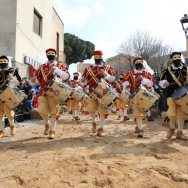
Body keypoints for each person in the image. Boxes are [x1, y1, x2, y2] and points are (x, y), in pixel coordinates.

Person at [35, 48, 70, 139]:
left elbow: (67, 77)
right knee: (42, 110)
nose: (50, 54)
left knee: (54, 111)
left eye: (52, 53)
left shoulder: (60, 65)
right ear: (46, 55)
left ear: (55, 55)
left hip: (55, 92)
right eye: (49, 53)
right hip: (43, 91)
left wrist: (58, 70)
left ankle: (52, 130)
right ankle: (47, 124)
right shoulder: (42, 66)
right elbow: (37, 80)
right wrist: (33, 81)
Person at [82, 50, 116, 136]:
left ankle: (101, 128)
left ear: (102, 57)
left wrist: (105, 74)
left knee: (103, 110)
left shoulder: (108, 67)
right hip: (92, 92)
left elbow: (112, 78)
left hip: (104, 92)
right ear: (94, 58)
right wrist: (83, 81)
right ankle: (94, 122)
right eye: (96, 57)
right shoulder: (88, 68)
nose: (98, 58)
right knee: (92, 109)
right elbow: (84, 81)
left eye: (99, 56)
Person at [123, 57, 154, 138]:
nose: (139, 63)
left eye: (140, 62)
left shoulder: (147, 73)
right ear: (135, 64)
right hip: (134, 95)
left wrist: (143, 80)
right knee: (137, 112)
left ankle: (137, 125)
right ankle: (140, 130)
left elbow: (151, 83)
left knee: (143, 113)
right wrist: (126, 85)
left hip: (145, 96)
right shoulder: (130, 73)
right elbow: (125, 81)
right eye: (137, 62)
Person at [159, 52, 188, 140]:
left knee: (181, 114)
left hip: (183, 94)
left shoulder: (186, 69)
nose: (177, 59)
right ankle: (171, 128)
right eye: (175, 57)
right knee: (171, 113)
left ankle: (179, 132)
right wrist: (164, 83)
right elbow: (161, 80)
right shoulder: (167, 70)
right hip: (171, 94)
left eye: (178, 57)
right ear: (172, 59)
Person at [0, 55, 21, 138]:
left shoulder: (13, 70)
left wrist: (13, 79)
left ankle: (12, 126)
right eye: (1, 61)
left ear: (7, 62)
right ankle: (1, 131)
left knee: (10, 113)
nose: (2, 63)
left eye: (4, 61)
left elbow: (19, 83)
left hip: (9, 94)